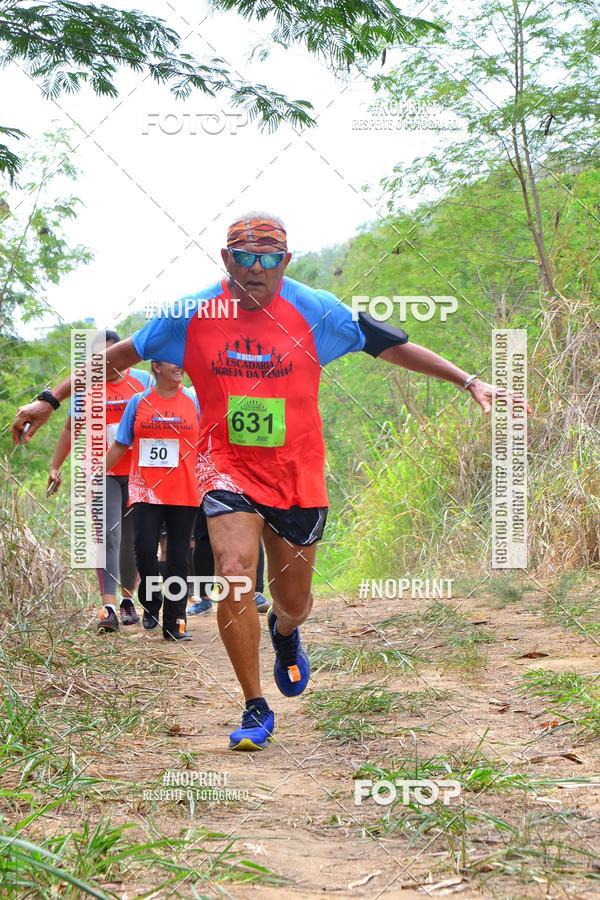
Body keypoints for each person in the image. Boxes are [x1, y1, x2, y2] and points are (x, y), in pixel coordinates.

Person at [13, 212, 528, 751]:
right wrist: (49, 401)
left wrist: (469, 380)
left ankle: (285, 633)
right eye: (244, 259)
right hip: (223, 467)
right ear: (225, 259)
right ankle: (254, 705)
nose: (256, 270)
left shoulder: (316, 311)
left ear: (286, 261)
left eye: (268, 260)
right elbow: (117, 358)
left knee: (294, 601)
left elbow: (390, 345)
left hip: (296, 473)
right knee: (233, 572)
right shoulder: (189, 315)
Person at [47, 329, 152, 632]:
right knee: (109, 535)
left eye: (111, 355)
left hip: (138, 473)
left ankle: (128, 600)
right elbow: (70, 429)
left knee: (132, 541)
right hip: (101, 472)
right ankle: (108, 606)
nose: (106, 363)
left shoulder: (143, 381)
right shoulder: (86, 389)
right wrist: (55, 466)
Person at [104, 360, 200, 641]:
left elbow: (209, 441)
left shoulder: (194, 400)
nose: (180, 366)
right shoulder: (138, 401)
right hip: (146, 491)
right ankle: (151, 598)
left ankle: (174, 621)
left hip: (184, 491)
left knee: (178, 558)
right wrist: (96, 475)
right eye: (173, 361)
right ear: (156, 366)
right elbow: (122, 442)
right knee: (144, 549)